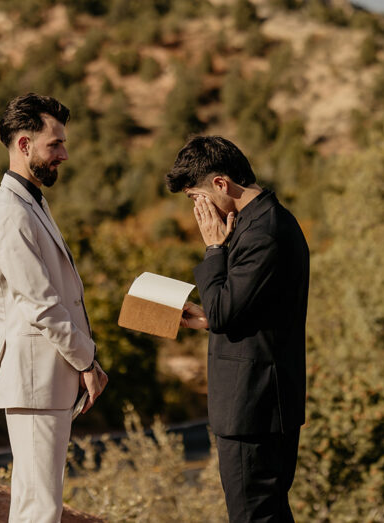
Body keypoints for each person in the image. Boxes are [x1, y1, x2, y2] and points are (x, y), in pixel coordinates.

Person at [0, 93, 108, 523]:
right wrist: (86, 360)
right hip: (34, 378)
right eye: (55, 145)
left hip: (45, 378)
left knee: (37, 501)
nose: (64, 154)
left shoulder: (29, 201)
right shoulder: (10, 213)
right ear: (24, 145)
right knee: (39, 507)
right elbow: (43, 305)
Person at [166, 135, 309, 523]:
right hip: (257, 406)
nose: (198, 210)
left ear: (221, 185)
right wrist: (208, 315)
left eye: (196, 197)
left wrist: (214, 250)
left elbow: (227, 310)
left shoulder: (264, 232)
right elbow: (241, 308)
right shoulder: (257, 223)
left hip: (255, 409)